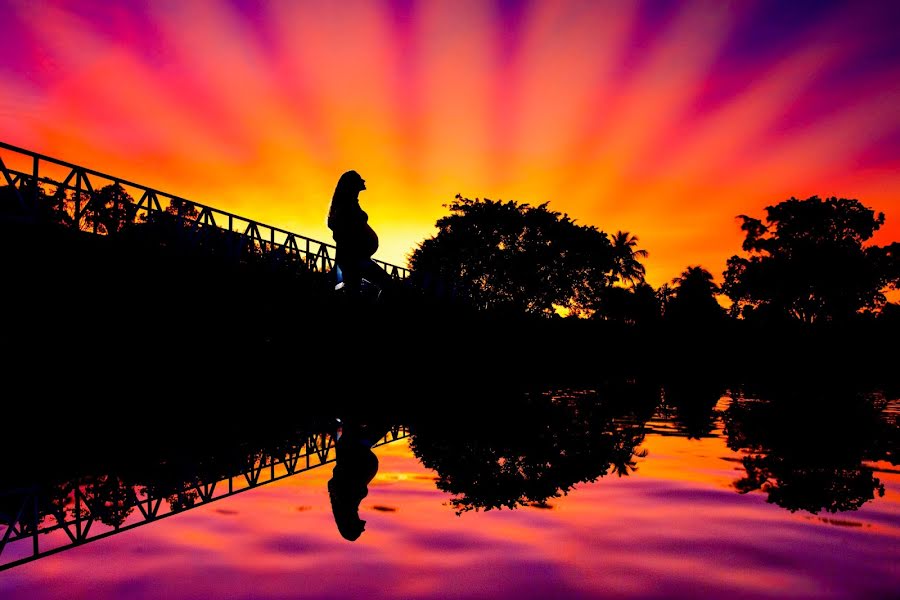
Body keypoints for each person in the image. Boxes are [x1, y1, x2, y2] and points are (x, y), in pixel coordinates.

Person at [327, 170, 390, 295]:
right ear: (352, 184)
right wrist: (339, 264)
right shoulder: (345, 208)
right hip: (355, 260)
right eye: (360, 179)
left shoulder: (351, 204)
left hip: (358, 259)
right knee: (388, 285)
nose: (363, 181)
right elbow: (342, 238)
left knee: (356, 293)